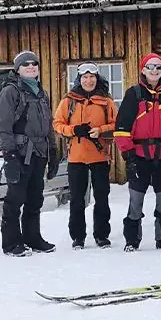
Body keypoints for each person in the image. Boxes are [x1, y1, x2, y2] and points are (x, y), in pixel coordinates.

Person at [115, 53, 161, 252]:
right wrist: (129, 156)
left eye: (158, 67)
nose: (154, 71)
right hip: (139, 155)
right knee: (136, 200)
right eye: (150, 67)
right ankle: (132, 240)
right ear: (143, 69)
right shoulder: (133, 94)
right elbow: (121, 127)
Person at [0, 50, 57, 257]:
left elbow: (48, 124)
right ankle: (11, 243)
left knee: (34, 198)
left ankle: (32, 237)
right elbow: (3, 126)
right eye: (26, 64)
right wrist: (9, 155)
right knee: (15, 198)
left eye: (34, 64)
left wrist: (53, 150)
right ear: (18, 69)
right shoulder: (11, 91)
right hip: (20, 152)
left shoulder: (41, 92)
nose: (31, 67)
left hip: (39, 152)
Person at [52, 62, 118, 250]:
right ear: (79, 80)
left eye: (92, 77)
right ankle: (78, 237)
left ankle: (102, 235)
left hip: (100, 156)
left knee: (102, 198)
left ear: (97, 78)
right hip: (77, 157)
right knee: (77, 199)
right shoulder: (69, 101)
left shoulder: (106, 101)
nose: (88, 81)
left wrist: (101, 130)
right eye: (84, 77)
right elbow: (57, 124)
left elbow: (117, 124)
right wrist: (73, 130)